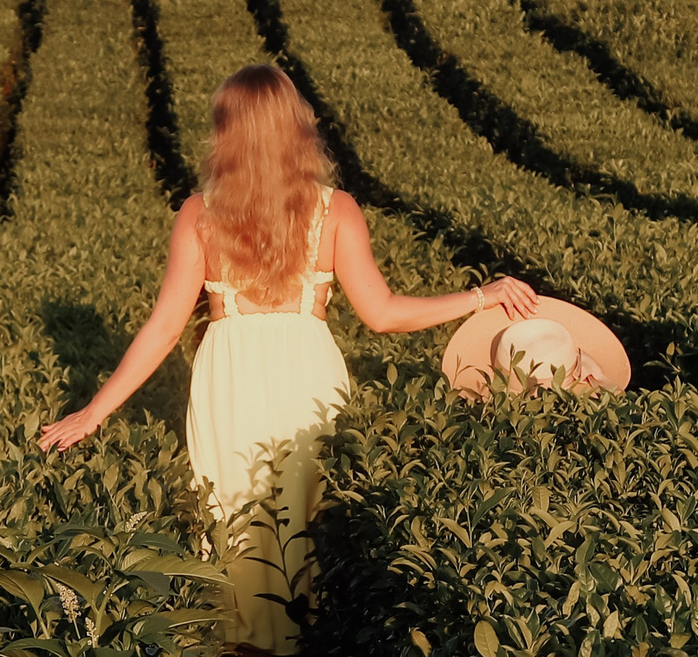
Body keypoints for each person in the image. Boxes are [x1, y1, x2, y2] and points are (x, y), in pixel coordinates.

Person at [37, 64, 538, 654]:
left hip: (228, 382)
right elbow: (384, 314)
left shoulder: (199, 214)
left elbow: (165, 327)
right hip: (310, 375)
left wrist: (94, 412)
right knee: (310, 527)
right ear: (296, 126)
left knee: (234, 530)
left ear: (226, 132)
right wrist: (482, 294)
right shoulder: (337, 210)